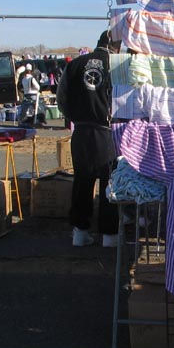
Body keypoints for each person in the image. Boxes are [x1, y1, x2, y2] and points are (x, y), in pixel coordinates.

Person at [57, 30, 121, 247]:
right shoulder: (118, 65)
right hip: (107, 131)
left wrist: (74, 116)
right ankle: (110, 236)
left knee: (82, 181)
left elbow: (61, 98)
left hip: (81, 131)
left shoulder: (74, 64)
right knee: (109, 184)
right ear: (116, 46)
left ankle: (80, 232)